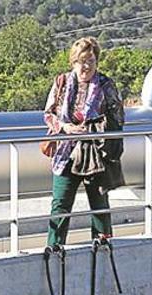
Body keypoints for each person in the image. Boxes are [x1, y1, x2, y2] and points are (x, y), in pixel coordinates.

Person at [43, 37, 125, 247]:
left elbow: (118, 119)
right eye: (81, 61)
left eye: (91, 60)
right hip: (66, 153)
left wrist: (94, 128)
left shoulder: (106, 85)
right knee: (60, 203)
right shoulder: (61, 83)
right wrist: (66, 127)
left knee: (99, 203)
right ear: (73, 62)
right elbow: (49, 113)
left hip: (94, 153)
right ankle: (54, 247)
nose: (86, 66)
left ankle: (103, 246)